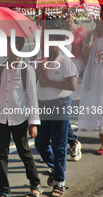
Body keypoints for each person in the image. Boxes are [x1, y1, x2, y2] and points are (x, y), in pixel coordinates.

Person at [0, 36, 42, 197]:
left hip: (19, 118)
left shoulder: (26, 69)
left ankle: (35, 183)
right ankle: (4, 190)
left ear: (16, 46)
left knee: (24, 152)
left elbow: (32, 98)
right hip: (1, 118)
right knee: (1, 155)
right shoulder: (0, 69)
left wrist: (33, 123)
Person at [34, 19, 78, 197]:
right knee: (41, 143)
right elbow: (31, 81)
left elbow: (72, 85)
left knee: (59, 146)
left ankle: (59, 182)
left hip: (60, 106)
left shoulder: (65, 61)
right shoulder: (38, 60)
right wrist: (38, 71)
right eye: (44, 41)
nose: (47, 44)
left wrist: (48, 81)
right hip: (42, 105)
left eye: (51, 41)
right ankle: (55, 167)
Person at [77, 16, 103, 155]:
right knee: (98, 107)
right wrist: (87, 45)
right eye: (98, 18)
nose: (100, 21)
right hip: (93, 76)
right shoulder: (89, 35)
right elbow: (85, 59)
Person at [63, 13, 85, 161]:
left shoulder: (82, 32)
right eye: (63, 15)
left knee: (82, 107)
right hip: (64, 71)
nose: (66, 17)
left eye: (69, 14)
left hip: (80, 71)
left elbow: (86, 53)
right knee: (64, 109)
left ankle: (73, 141)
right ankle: (71, 142)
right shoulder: (58, 33)